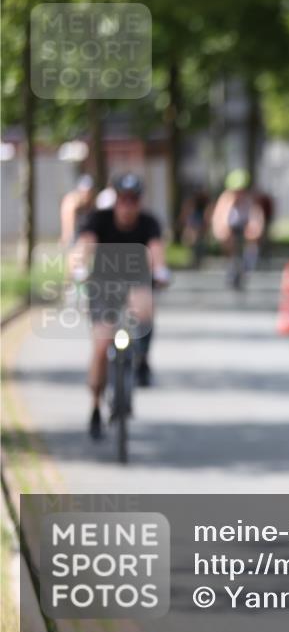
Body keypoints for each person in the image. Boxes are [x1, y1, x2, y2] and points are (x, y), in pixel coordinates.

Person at [69, 173, 170, 439]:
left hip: (136, 284)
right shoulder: (98, 219)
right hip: (104, 287)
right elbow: (85, 244)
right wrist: (78, 267)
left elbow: (156, 250)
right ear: (115, 200)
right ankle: (94, 407)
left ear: (139, 201)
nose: (128, 206)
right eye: (123, 199)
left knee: (145, 308)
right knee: (101, 347)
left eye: (133, 200)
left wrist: (160, 271)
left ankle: (142, 359)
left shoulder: (149, 223)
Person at [212, 169, 263, 289]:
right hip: (231, 229)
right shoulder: (225, 199)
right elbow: (220, 220)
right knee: (226, 237)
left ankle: (248, 265)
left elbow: (257, 218)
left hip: (245, 227)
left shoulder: (250, 200)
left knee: (252, 241)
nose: (238, 194)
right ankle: (231, 264)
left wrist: (253, 229)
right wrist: (224, 228)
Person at [59, 174, 96, 248]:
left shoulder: (92, 204)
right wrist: (67, 237)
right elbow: (67, 222)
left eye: (89, 191)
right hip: (75, 237)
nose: (86, 194)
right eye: (84, 191)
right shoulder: (71, 202)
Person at [180, 185, 212, 269]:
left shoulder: (205, 202)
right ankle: (193, 258)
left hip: (200, 222)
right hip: (194, 222)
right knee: (191, 240)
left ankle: (198, 259)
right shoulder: (191, 202)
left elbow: (207, 214)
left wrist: (205, 225)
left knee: (200, 242)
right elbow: (186, 213)